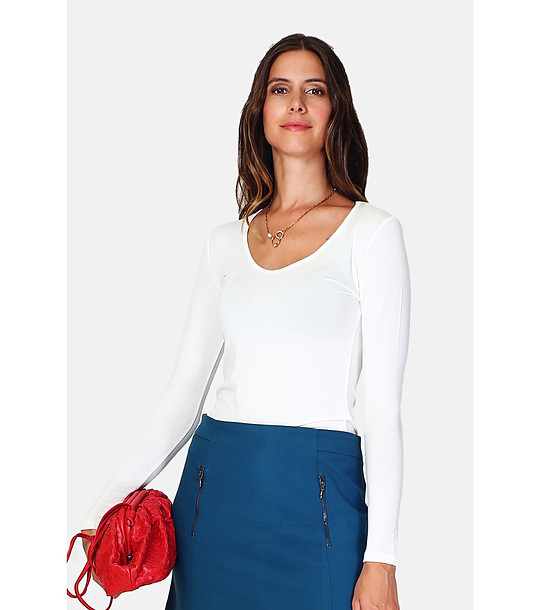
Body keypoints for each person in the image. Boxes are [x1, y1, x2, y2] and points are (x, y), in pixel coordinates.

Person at [80, 33, 411, 610]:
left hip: (319, 501)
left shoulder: (372, 234)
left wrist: (381, 557)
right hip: (213, 497)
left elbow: (381, 404)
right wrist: (105, 504)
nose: (297, 103)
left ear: (336, 110)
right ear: (260, 110)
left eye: (315, 90)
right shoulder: (223, 245)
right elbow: (185, 390)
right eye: (280, 89)